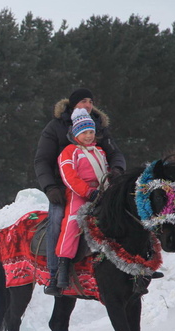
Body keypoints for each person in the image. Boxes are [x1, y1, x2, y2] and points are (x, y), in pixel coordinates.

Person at [34, 88, 126, 296]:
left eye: (91, 101)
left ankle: (132, 266)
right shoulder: (55, 127)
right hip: (63, 187)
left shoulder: (98, 128)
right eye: (83, 101)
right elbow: (42, 160)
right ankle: (55, 272)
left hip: (100, 187)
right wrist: (50, 187)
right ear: (73, 104)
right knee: (59, 220)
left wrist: (117, 171)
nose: (87, 104)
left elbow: (114, 154)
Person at [55, 108, 108, 290]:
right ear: (76, 133)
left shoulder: (99, 151)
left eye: (91, 132)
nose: (88, 136)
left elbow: (105, 173)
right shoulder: (70, 152)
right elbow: (69, 176)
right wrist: (87, 191)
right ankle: (62, 266)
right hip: (79, 193)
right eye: (84, 132)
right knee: (72, 222)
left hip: (102, 191)